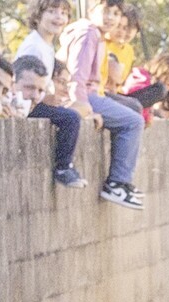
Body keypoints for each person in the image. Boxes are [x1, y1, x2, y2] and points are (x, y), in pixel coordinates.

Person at [48, 0, 141, 208]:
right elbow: (77, 77)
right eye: (106, 11)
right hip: (83, 95)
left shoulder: (97, 35)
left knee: (134, 109)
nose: (111, 18)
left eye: (116, 13)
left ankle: (122, 181)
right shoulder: (88, 33)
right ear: (92, 10)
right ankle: (117, 183)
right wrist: (83, 108)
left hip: (93, 93)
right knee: (133, 122)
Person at [13, 52, 81, 185]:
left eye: (40, 91)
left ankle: (64, 168)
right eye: (29, 88)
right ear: (12, 82)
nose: (35, 96)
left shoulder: (36, 104)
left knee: (71, 117)